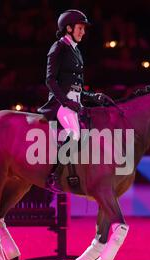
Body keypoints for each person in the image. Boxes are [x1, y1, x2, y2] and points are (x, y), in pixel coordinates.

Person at [37, 9, 114, 191]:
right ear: (69, 28)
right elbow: (50, 80)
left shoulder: (76, 50)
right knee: (75, 134)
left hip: (75, 101)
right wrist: (66, 102)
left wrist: (92, 96)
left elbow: (76, 85)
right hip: (60, 103)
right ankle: (54, 176)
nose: (83, 32)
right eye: (80, 28)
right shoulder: (58, 48)